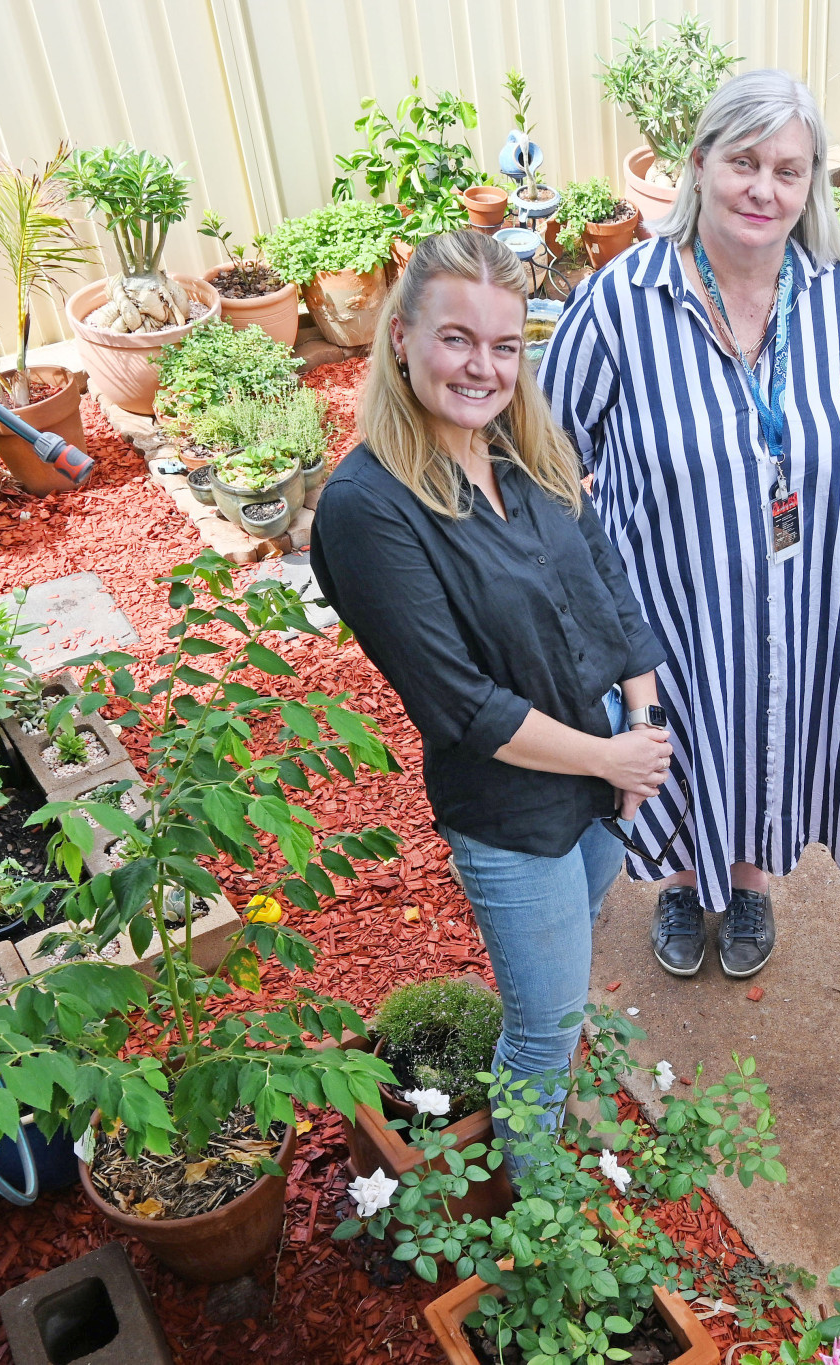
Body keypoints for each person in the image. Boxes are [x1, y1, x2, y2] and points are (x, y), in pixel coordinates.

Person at [309, 231, 672, 1143]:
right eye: (457, 338)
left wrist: (640, 714)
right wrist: (616, 755)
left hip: (599, 773)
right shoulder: (369, 509)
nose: (483, 367)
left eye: (505, 346)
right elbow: (459, 703)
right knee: (542, 1035)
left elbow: (607, 575)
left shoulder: (522, 449)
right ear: (401, 335)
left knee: (569, 965)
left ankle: (535, 1158)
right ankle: (531, 1228)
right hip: (511, 810)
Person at [541, 69, 840, 982]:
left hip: (798, 596)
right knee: (686, 738)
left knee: (773, 728)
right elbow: (543, 454)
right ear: (699, 166)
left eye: (789, 169)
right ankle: (684, 883)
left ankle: (755, 877)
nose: (764, 189)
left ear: (810, 185)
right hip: (668, 605)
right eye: (743, 162)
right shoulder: (622, 301)